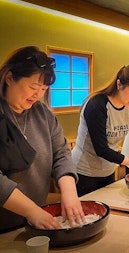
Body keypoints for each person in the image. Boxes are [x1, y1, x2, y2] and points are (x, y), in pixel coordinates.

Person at [0, 46, 85, 232]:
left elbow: (61, 152)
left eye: (44, 89)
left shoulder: (42, 113)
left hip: (37, 220)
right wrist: (31, 210)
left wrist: (69, 191)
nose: (38, 95)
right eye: (33, 87)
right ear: (9, 78)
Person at [72, 64, 129, 197]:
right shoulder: (97, 105)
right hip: (84, 172)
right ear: (119, 84)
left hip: (108, 170)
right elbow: (101, 149)